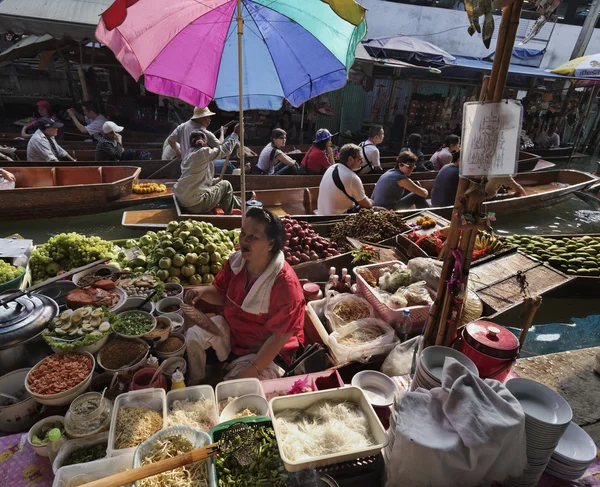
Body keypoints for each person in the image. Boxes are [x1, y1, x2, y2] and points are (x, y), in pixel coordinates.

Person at [184, 207, 305, 376]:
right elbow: (220, 294)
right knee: (193, 337)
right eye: (243, 234)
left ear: (270, 244)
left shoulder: (285, 285)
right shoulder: (236, 263)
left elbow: (278, 338)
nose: (244, 240)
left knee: (238, 390)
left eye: (253, 237)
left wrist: (252, 370)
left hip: (267, 348)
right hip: (235, 332)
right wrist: (203, 291)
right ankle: (196, 379)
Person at [173, 125, 241, 214]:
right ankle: (229, 214)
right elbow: (226, 149)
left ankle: (241, 203)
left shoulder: (187, 156)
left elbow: (196, 180)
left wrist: (213, 181)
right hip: (196, 204)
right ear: (205, 144)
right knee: (226, 185)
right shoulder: (203, 152)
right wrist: (235, 133)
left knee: (219, 184)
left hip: (183, 201)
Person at [317, 144, 374, 215]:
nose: (362, 162)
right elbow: (366, 205)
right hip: (336, 218)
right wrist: (371, 201)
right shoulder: (351, 177)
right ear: (350, 159)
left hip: (322, 214)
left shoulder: (332, 168)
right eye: (360, 159)